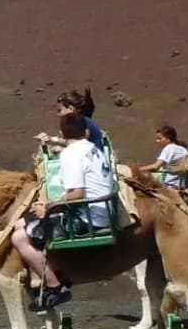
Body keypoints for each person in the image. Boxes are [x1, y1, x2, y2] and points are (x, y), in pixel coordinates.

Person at [12, 112, 114, 311]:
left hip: (89, 218)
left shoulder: (70, 154)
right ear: (85, 131)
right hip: (100, 208)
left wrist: (49, 205)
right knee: (20, 224)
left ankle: (55, 288)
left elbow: (77, 193)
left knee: (19, 238)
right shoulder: (92, 147)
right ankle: (58, 274)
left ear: (63, 134)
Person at [140, 125, 188, 190]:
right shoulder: (184, 150)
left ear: (168, 139)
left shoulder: (169, 148)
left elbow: (156, 166)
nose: (157, 141)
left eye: (159, 138)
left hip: (170, 187)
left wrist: (138, 169)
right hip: (183, 188)